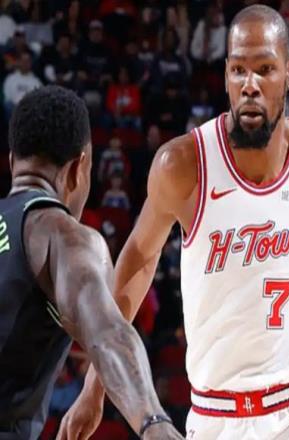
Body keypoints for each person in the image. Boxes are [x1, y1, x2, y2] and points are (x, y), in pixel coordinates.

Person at [60, 6, 289, 439]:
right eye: (238, 70)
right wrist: (95, 387)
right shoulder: (183, 165)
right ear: (225, 77)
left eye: (265, 69)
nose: (250, 84)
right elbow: (137, 266)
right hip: (215, 416)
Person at [0, 86, 182, 440]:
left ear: (11, 162)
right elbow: (108, 334)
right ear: (79, 168)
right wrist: (154, 424)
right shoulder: (60, 235)